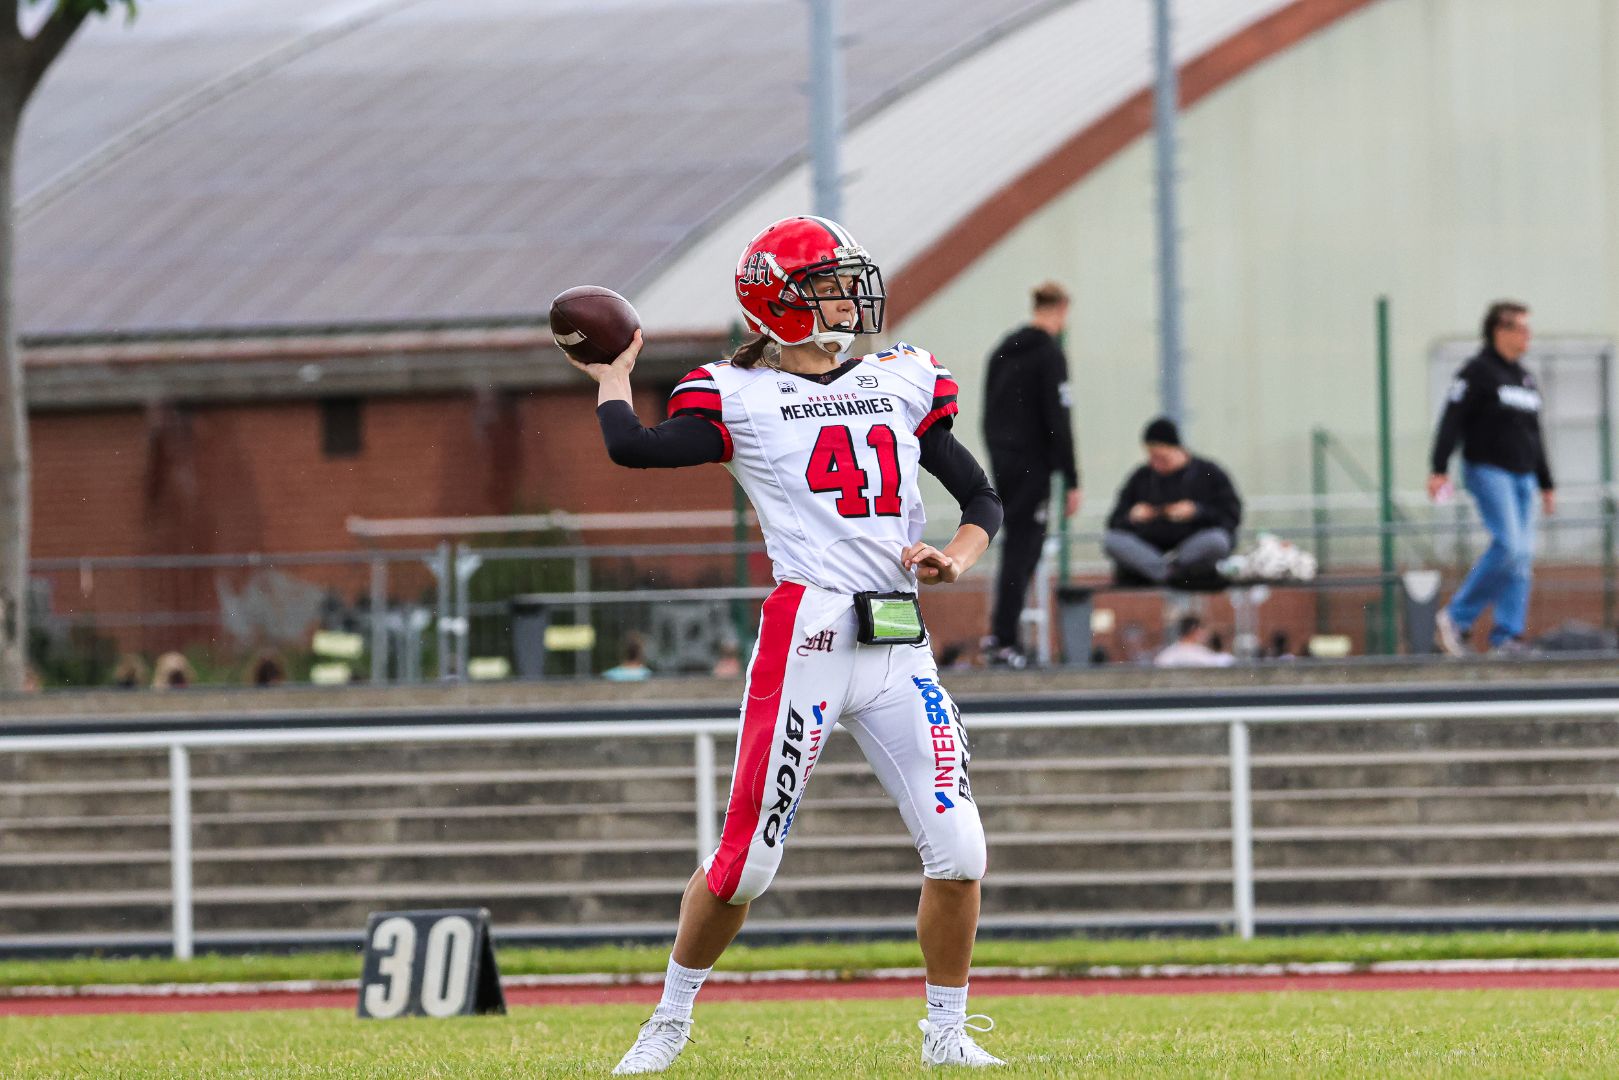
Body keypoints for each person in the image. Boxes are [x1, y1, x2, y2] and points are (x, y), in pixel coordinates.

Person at [577, 215, 1005, 1073]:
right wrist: (612, 375)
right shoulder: (739, 394)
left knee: (960, 850)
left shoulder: (898, 380)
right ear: (778, 299)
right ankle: (667, 1020)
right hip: (807, 633)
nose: (850, 296)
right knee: (746, 867)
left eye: (849, 279)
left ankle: (946, 1033)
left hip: (895, 638)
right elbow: (632, 449)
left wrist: (954, 560)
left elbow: (981, 498)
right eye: (828, 283)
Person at [1429, 300, 1556, 656]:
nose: (1528, 335)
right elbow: (1451, 419)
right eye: (1522, 328)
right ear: (1501, 330)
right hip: (1488, 469)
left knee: (1523, 555)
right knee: (1509, 546)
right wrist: (1438, 467)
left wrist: (1547, 483)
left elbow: (1535, 434)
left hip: (1523, 476)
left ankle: (1507, 637)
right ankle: (1456, 617)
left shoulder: (1524, 378)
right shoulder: (1477, 372)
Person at [980, 281, 1080, 668]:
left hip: (1006, 462)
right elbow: (1059, 418)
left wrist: (1000, 455)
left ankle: (1004, 636)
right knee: (1024, 549)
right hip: (1033, 464)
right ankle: (1004, 639)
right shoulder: (1049, 354)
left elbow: (988, 413)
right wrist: (1071, 477)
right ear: (1061, 309)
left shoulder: (1002, 352)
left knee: (1017, 547)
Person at [1104, 417, 1241, 586]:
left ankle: (1166, 571)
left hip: (1191, 550)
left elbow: (1230, 515)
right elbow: (1114, 523)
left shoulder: (1208, 472)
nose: (1156, 464)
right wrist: (1132, 516)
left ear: (1178, 449)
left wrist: (1197, 512)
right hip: (1150, 551)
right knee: (1112, 541)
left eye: (1162, 458)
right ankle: (1169, 573)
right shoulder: (1141, 477)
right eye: (1152, 457)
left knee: (1217, 540)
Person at [1154, 615, 1235, 668]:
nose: (1205, 633)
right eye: (1203, 629)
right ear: (1195, 630)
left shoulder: (1166, 656)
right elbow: (1228, 661)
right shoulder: (1202, 655)